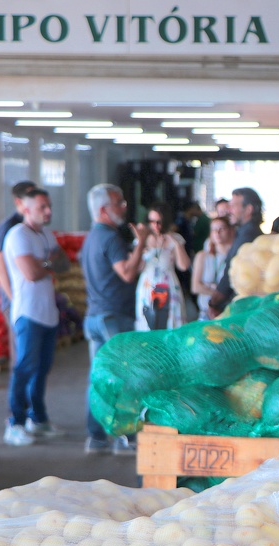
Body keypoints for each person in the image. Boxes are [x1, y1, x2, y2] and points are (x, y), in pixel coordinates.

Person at [80, 183, 148, 454]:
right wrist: (141, 241)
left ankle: (96, 438)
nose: (124, 207)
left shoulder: (91, 238)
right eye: (118, 203)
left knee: (98, 378)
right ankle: (126, 438)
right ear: (102, 210)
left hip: (94, 316)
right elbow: (127, 274)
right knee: (123, 376)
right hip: (113, 316)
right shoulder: (110, 238)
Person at [1, 188, 71, 446]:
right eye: (42, 207)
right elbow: (30, 273)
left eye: (48, 206)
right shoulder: (18, 235)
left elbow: (64, 264)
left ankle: (37, 419)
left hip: (48, 313)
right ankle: (15, 423)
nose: (48, 211)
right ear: (26, 208)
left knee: (41, 370)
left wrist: (45, 263)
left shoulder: (45, 234)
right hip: (28, 314)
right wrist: (48, 263)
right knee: (24, 369)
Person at [0, 180, 38, 363]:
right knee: (21, 351)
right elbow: (0, 265)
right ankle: (19, 391)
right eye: (31, 196)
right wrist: (13, 298)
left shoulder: (31, 226)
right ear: (18, 201)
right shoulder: (9, 226)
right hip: (15, 299)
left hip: (29, 298)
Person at [208, 187, 265, 317]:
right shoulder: (245, 232)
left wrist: (214, 302)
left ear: (248, 209)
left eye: (233, 205)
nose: (229, 210)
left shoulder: (248, 235)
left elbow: (232, 270)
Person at [134, 202, 191, 331]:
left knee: (171, 322)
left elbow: (184, 266)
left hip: (168, 284)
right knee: (148, 323)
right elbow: (137, 268)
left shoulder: (174, 239)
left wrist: (176, 243)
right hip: (147, 285)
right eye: (152, 221)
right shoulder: (143, 239)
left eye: (159, 222)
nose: (155, 225)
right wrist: (141, 245)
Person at [192, 217, 234, 321]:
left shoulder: (235, 258)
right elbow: (195, 287)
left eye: (222, 229)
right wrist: (221, 292)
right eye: (214, 230)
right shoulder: (202, 256)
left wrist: (207, 288)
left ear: (230, 231)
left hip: (228, 313)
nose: (217, 233)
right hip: (205, 312)